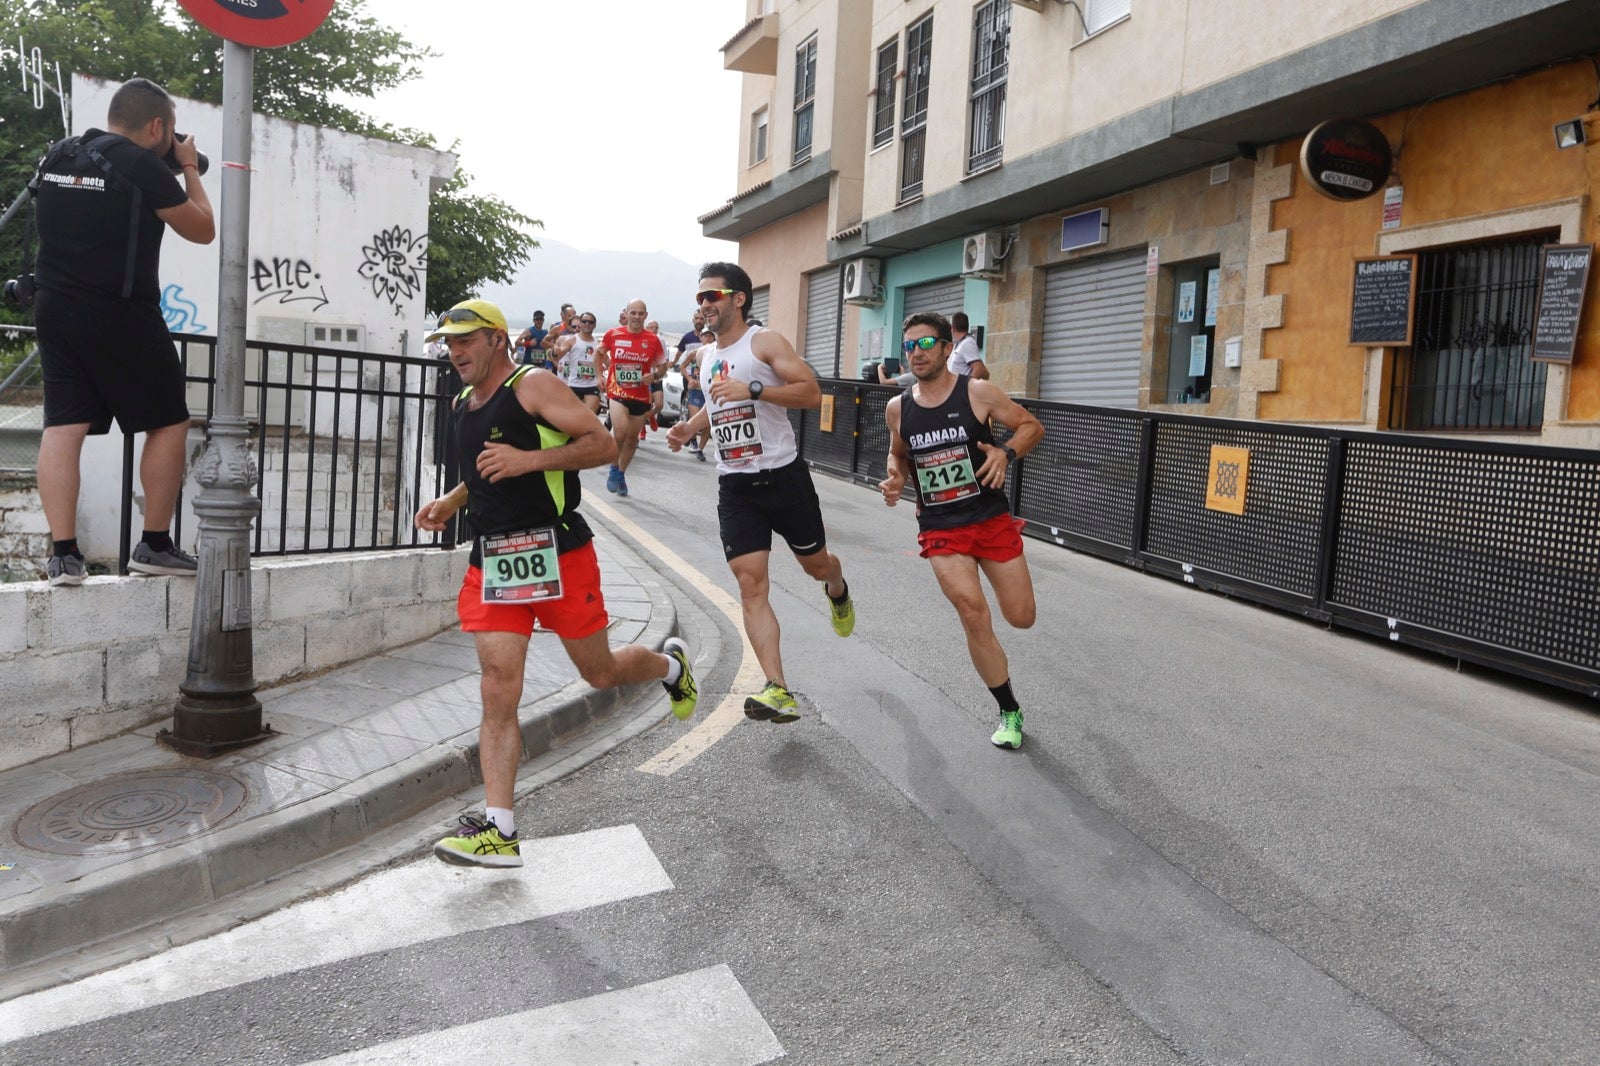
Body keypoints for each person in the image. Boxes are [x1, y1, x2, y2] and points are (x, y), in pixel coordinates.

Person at [415, 298, 698, 868]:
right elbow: (481, 470)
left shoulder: (534, 384)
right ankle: (500, 829)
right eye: (448, 342)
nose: (455, 352)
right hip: (496, 557)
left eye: (465, 340)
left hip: (559, 550)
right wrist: (452, 499)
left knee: (599, 672)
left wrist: (526, 462)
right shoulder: (463, 403)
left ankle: (671, 666)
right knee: (498, 684)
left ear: (497, 339)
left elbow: (598, 444)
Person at [31, 77, 215, 586]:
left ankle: (64, 555)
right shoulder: (139, 164)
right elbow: (202, 228)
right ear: (158, 126)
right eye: (170, 130)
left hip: (53, 307)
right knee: (169, 421)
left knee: (64, 426)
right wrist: (185, 167)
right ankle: (154, 544)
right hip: (120, 311)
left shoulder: (60, 155)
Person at [666, 263, 856, 721]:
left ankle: (837, 587)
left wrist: (753, 388)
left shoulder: (764, 343)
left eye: (712, 295)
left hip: (783, 478)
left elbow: (811, 394)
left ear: (738, 299)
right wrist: (689, 426)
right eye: (699, 299)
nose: (704, 305)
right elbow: (717, 405)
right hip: (736, 484)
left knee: (815, 566)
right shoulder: (707, 356)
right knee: (751, 585)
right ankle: (778, 688)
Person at [878, 311, 1043, 749]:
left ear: (947, 349)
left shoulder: (978, 393)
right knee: (972, 612)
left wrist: (1005, 452)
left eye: (925, 344)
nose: (916, 352)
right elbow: (898, 455)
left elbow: (1031, 426)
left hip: (988, 519)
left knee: (1021, 616)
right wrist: (895, 477)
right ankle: (1008, 709)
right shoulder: (899, 408)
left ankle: (1007, 612)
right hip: (941, 526)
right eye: (908, 345)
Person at [597, 299, 666, 496]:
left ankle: (620, 472)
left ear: (646, 315)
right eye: (633, 313)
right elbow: (598, 354)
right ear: (626, 314)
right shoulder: (613, 334)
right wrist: (598, 376)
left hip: (641, 395)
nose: (636, 317)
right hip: (617, 391)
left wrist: (654, 376)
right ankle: (613, 467)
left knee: (631, 439)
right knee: (619, 433)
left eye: (640, 313)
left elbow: (662, 367)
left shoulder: (653, 340)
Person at [553, 310, 603, 414]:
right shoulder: (572, 340)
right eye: (584, 321)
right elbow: (560, 353)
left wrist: (603, 376)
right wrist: (556, 351)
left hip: (591, 385)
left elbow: (608, 361)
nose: (587, 324)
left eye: (590, 322)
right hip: (574, 384)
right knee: (572, 416)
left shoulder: (598, 343)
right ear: (580, 323)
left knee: (590, 415)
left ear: (594, 325)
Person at [949, 312, 989, 379]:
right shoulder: (959, 344)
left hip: (960, 388)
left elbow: (979, 369)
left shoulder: (967, 343)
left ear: (953, 328)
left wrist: (965, 386)